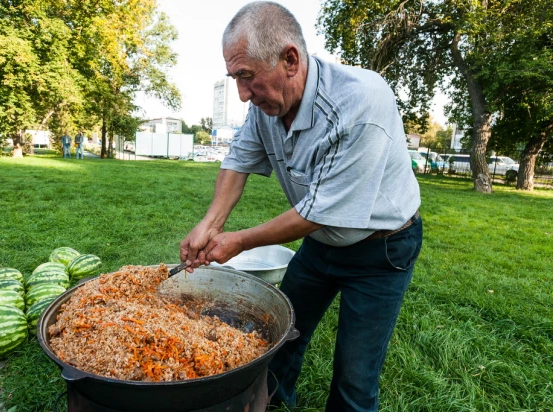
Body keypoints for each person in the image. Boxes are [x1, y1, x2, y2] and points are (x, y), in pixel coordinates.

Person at [178, 2, 422, 411]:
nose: (242, 94)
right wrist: (210, 223)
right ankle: (269, 403)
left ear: (290, 59)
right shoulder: (267, 105)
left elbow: (318, 211)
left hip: (381, 249)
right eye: (234, 78)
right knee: (280, 335)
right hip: (320, 244)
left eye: (247, 77)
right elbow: (238, 159)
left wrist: (237, 241)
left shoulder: (358, 102)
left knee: (355, 376)